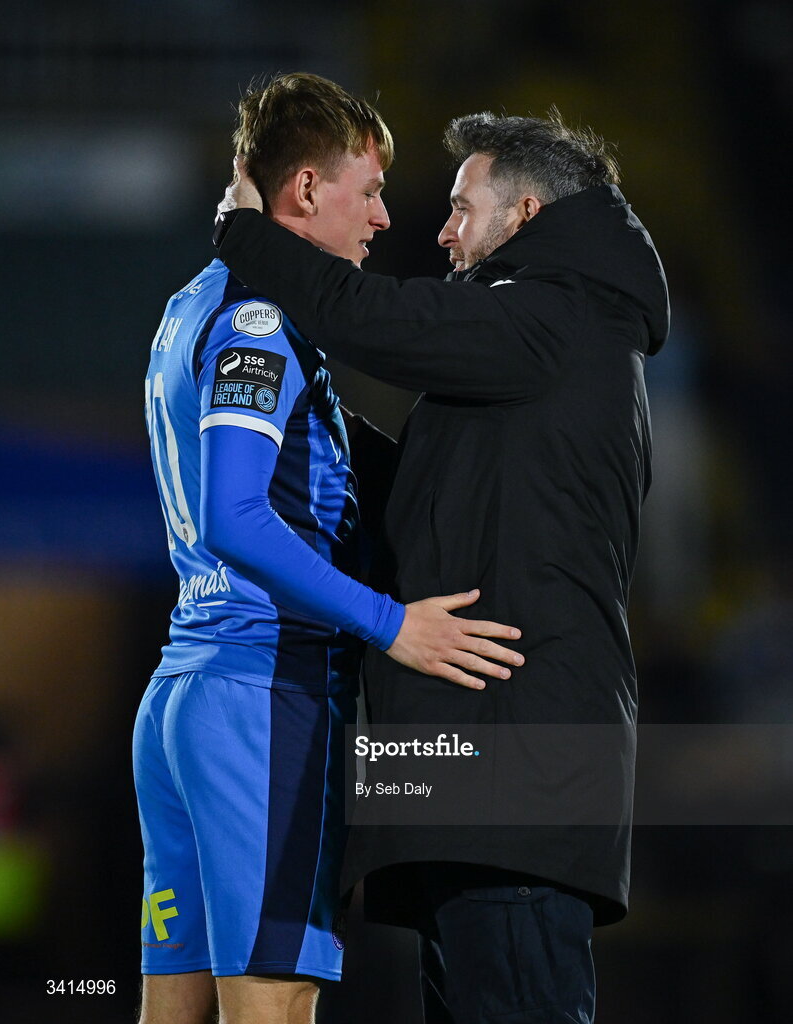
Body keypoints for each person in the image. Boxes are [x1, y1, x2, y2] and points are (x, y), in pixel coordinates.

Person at [214, 106, 669, 1024]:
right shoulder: (533, 345)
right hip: (472, 771)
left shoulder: (556, 316)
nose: (440, 230)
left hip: (517, 781)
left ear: (526, 213)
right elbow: (418, 504)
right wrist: (309, 425)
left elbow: (366, 314)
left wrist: (243, 234)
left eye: (462, 208)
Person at [134, 73, 523, 1024]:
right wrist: (392, 626)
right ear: (305, 190)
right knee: (271, 1006)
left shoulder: (190, 304)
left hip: (182, 700)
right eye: (370, 188)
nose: (386, 217)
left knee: (171, 1009)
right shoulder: (261, 317)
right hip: (263, 700)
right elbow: (235, 514)